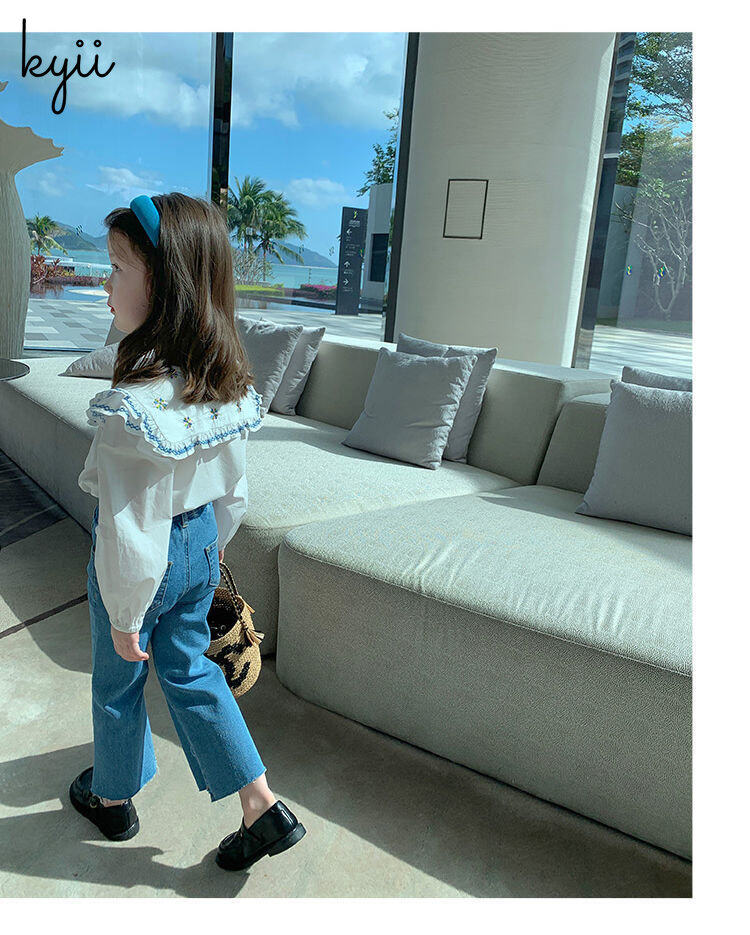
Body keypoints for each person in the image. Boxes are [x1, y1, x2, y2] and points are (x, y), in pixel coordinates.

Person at [69, 192, 306, 872]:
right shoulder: (223, 380)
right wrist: (212, 545)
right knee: (192, 669)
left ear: (164, 284)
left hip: (142, 563)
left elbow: (130, 523)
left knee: (118, 678)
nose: (105, 283)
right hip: (201, 544)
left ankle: (113, 796)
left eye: (117, 268)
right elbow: (234, 485)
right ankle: (261, 803)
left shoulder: (132, 407)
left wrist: (125, 612)